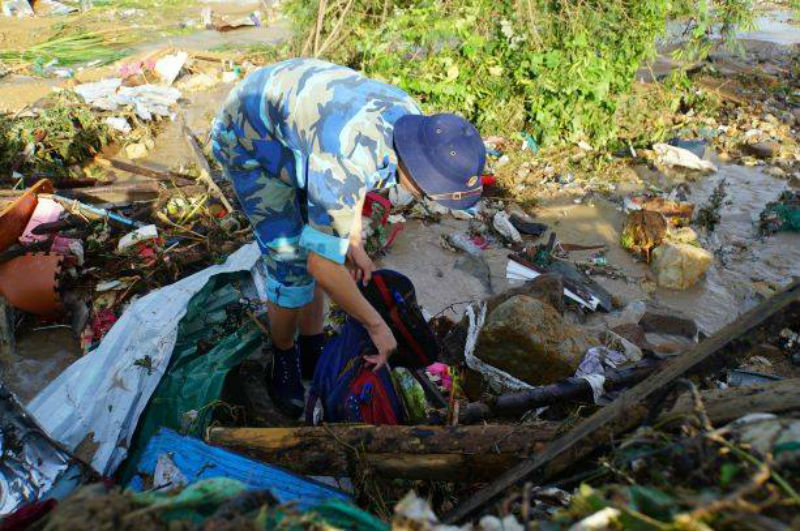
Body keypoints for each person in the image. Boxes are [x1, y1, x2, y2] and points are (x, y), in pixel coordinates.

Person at [211, 58, 486, 417]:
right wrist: (377, 326)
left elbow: (349, 189)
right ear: (417, 169)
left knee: (329, 243)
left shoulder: (415, 125)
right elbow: (321, 263)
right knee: (291, 263)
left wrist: (352, 240)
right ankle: (284, 356)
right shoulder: (349, 152)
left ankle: (312, 347)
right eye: (429, 193)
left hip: (306, 133)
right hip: (250, 137)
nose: (428, 200)